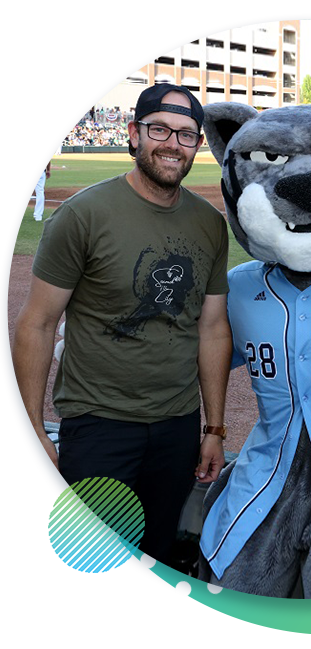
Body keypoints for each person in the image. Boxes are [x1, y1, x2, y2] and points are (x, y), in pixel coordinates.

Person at [12, 83, 232, 599]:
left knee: (153, 572)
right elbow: (37, 324)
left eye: (185, 135)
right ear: (134, 134)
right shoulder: (84, 214)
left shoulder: (209, 225)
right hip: (99, 426)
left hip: (176, 429)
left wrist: (215, 428)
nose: (171, 144)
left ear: (197, 145)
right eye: (159, 130)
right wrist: (32, 433)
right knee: (91, 579)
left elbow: (212, 327)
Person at [16, 120, 51, 222]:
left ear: (27, 128)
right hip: (40, 169)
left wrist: (15, 168)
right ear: (38, 129)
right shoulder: (43, 141)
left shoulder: (22, 139)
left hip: (27, 168)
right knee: (40, 192)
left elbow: (17, 155)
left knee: (21, 192)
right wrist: (48, 170)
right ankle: (38, 216)